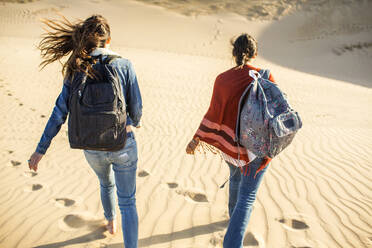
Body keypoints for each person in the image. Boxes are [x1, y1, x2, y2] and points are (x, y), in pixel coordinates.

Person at [27, 15, 142, 248]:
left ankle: (110, 223)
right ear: (108, 40)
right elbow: (137, 108)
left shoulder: (75, 67)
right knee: (128, 202)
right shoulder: (124, 64)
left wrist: (40, 150)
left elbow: (59, 112)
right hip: (122, 144)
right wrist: (134, 122)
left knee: (106, 184)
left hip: (91, 147)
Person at [186, 33, 275, 248]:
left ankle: (232, 219)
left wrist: (197, 138)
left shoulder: (222, 79)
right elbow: (274, 113)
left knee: (235, 179)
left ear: (234, 53)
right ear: (255, 53)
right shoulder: (265, 76)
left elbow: (214, 113)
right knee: (248, 197)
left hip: (231, 146)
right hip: (256, 148)